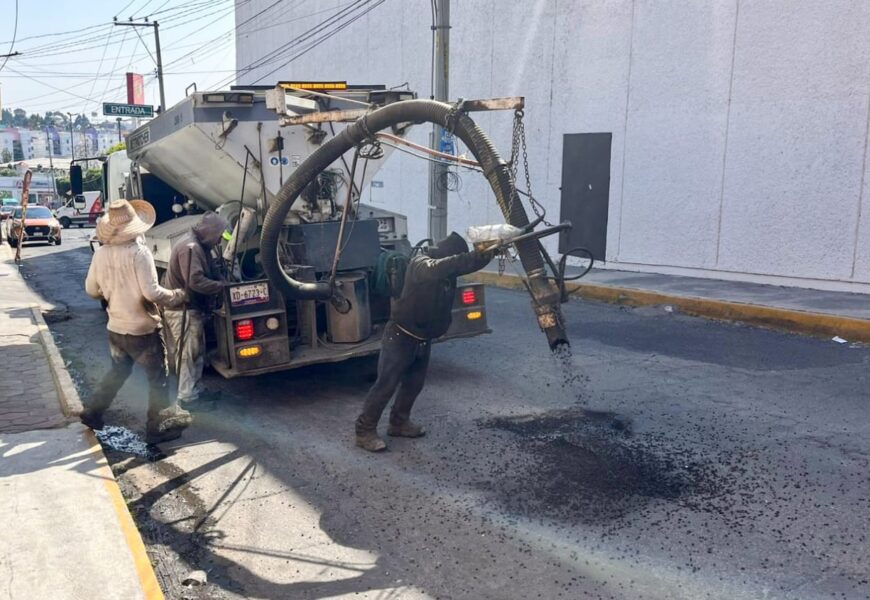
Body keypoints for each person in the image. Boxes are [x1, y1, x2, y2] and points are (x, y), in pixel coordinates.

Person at [355, 232, 493, 452]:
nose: (456, 264)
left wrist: (489, 253)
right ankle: (364, 432)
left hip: (422, 338)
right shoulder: (421, 264)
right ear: (447, 255)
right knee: (386, 385)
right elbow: (448, 265)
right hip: (400, 336)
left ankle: (398, 423)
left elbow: (465, 265)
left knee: (414, 384)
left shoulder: (447, 271)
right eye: (455, 258)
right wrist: (475, 255)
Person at [82, 199, 191, 444]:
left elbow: (91, 290)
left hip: (116, 328)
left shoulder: (100, 254)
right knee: (158, 379)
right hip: (143, 330)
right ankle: (156, 428)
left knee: (118, 371)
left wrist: (111, 292)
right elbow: (152, 293)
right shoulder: (139, 253)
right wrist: (178, 295)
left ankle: (93, 411)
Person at [163, 212, 230, 409]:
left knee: (196, 352)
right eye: (219, 236)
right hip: (182, 310)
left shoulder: (200, 246)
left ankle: (195, 390)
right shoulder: (190, 248)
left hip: (191, 308)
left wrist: (220, 279)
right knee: (188, 354)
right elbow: (195, 281)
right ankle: (187, 396)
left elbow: (209, 272)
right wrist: (220, 286)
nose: (219, 241)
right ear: (211, 232)